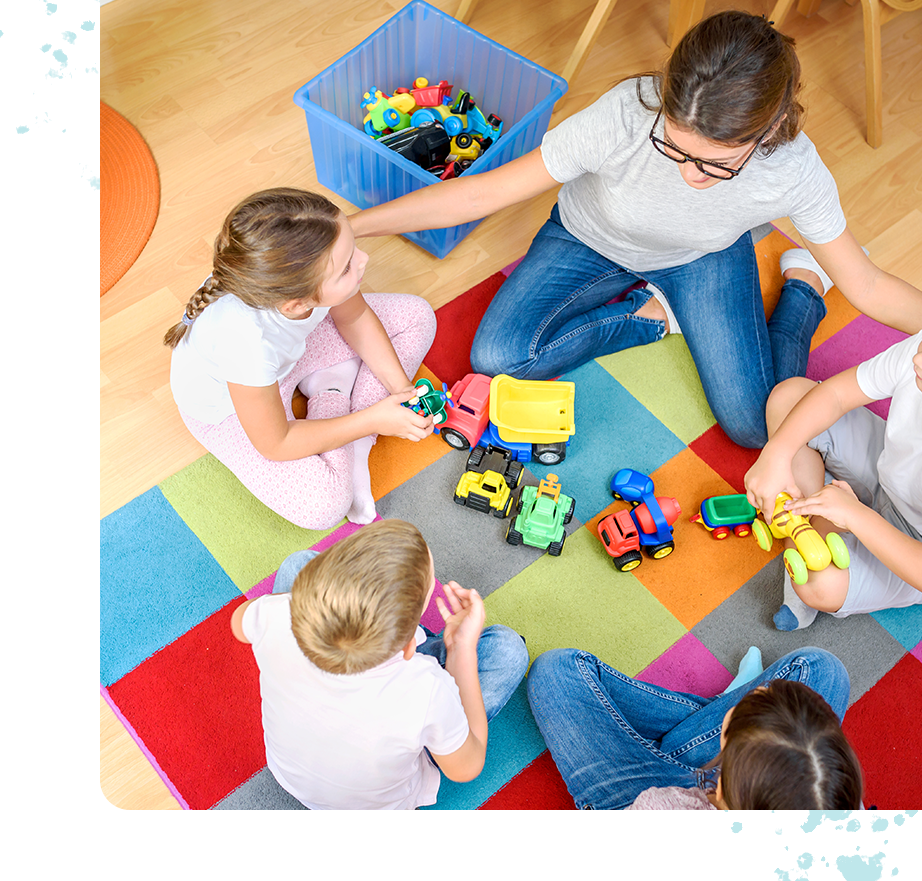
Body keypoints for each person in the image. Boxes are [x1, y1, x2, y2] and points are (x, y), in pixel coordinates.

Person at [347, 10, 922, 448]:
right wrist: (352, 226)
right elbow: (483, 190)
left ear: (772, 125)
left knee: (760, 426)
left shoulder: (793, 169)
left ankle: (805, 289)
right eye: (675, 149)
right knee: (499, 356)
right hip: (587, 239)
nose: (690, 176)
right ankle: (649, 317)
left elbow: (868, 285)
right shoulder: (625, 113)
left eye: (715, 164)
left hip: (701, 259)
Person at [743, 279, 922, 631]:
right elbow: (836, 395)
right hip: (890, 473)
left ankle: (812, 517)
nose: (921, 360)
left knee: (821, 585)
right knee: (789, 397)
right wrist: (777, 453)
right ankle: (815, 518)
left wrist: (856, 516)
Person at [165, 187, 438, 531]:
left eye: (352, 247)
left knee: (418, 316)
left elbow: (353, 318)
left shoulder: (292, 280)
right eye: (346, 268)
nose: (364, 259)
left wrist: (402, 391)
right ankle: (333, 394)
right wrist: (371, 421)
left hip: (283, 363)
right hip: (232, 411)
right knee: (322, 507)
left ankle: (351, 435)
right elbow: (276, 443)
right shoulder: (245, 342)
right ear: (298, 304)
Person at [231, 518, 529, 811]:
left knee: (298, 563)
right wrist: (461, 648)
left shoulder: (277, 614)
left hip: (293, 776)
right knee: (508, 649)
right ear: (411, 645)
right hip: (377, 804)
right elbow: (466, 768)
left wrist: (303, 603)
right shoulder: (425, 689)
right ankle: (439, 732)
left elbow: (238, 623)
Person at [526, 645, 863, 811]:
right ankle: (716, 713)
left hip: (641, 801)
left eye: (735, 712)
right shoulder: (828, 805)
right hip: (742, 793)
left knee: (557, 670)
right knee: (822, 669)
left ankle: (709, 716)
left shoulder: (656, 813)